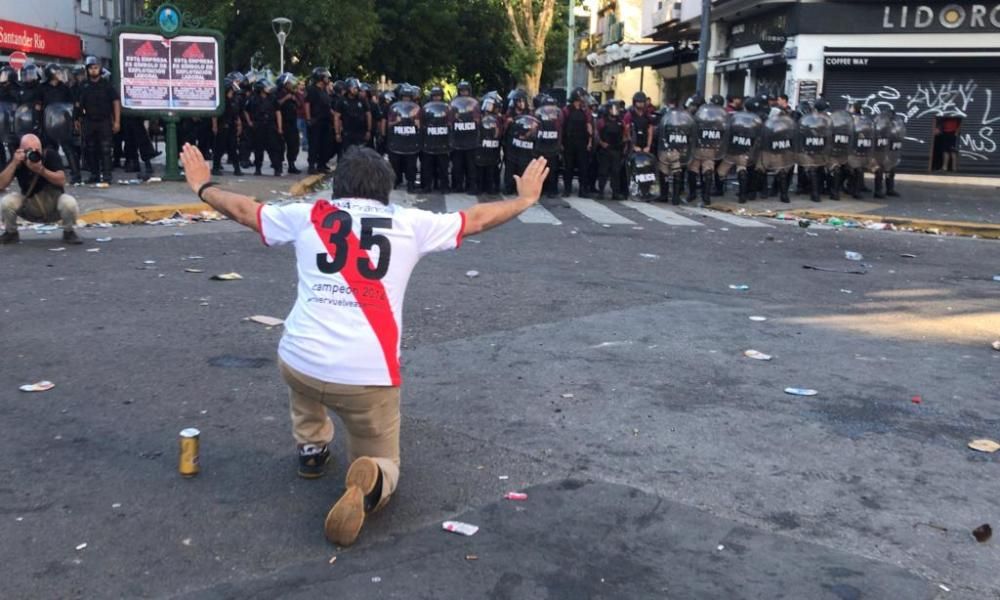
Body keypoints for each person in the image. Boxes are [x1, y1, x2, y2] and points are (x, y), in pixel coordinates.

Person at [177, 142, 549, 547]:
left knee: (306, 377)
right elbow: (475, 219)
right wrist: (525, 198)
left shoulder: (307, 216)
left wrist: (202, 185)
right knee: (385, 457)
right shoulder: (410, 223)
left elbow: (245, 210)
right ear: (386, 190)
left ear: (337, 188)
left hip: (299, 360)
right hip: (366, 378)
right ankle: (371, 479)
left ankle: (312, 450)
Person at [0, 133, 81, 244]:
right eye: (29, 150)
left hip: (53, 205)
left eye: (37, 150)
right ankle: (11, 233)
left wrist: (41, 170)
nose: (33, 153)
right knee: (6, 202)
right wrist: (14, 163)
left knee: (69, 203)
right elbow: (1, 184)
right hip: (29, 205)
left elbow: (61, 180)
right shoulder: (18, 160)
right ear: (21, 150)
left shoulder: (50, 155)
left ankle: (69, 232)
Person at [76, 56, 120, 186]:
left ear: (100, 69)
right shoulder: (84, 86)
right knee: (90, 149)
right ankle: (94, 174)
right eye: (91, 68)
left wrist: (117, 121)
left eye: (96, 68)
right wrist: (77, 119)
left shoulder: (106, 85)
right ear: (87, 70)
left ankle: (107, 175)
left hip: (104, 121)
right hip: (88, 121)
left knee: (106, 149)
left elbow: (116, 102)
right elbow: (78, 104)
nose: (93, 70)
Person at [244, 79, 283, 176]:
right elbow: (245, 110)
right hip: (258, 126)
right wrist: (249, 122)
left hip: (270, 125)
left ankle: (277, 168)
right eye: (266, 87)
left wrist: (279, 127)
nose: (268, 89)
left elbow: (278, 113)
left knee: (273, 148)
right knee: (258, 149)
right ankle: (258, 168)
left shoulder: (273, 98)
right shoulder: (253, 99)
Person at [561, 88, 593, 197]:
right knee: (568, 166)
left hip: (582, 142)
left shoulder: (585, 111)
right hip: (569, 142)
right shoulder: (566, 110)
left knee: (583, 167)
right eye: (582, 97)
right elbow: (561, 126)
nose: (584, 99)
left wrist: (590, 142)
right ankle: (567, 189)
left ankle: (583, 190)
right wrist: (561, 143)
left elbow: (589, 126)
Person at [212, 75, 244, 176]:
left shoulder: (234, 99)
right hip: (222, 126)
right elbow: (215, 114)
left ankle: (237, 169)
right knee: (219, 148)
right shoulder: (221, 100)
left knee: (233, 148)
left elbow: (236, 114)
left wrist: (239, 124)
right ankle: (216, 168)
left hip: (231, 126)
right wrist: (215, 126)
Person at [306, 68, 334, 174]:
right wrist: (309, 119)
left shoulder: (324, 90)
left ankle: (322, 165)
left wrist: (333, 114)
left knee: (325, 144)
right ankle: (312, 165)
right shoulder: (311, 89)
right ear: (320, 78)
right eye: (326, 77)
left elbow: (327, 105)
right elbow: (307, 104)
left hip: (325, 121)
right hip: (315, 121)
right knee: (314, 144)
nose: (328, 79)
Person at [335, 78, 371, 156]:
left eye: (357, 88)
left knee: (361, 153)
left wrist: (368, 130)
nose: (356, 90)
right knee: (348, 154)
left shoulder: (362, 100)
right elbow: (337, 117)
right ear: (348, 88)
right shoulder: (341, 101)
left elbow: (368, 115)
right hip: (347, 132)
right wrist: (337, 133)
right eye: (354, 88)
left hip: (361, 132)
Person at [276, 73, 302, 174]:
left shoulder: (293, 93)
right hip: (282, 123)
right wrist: (285, 98)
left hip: (292, 122)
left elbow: (300, 105)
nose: (291, 84)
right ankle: (278, 165)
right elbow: (276, 104)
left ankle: (291, 164)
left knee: (294, 144)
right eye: (288, 83)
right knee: (280, 146)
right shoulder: (278, 92)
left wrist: (295, 98)